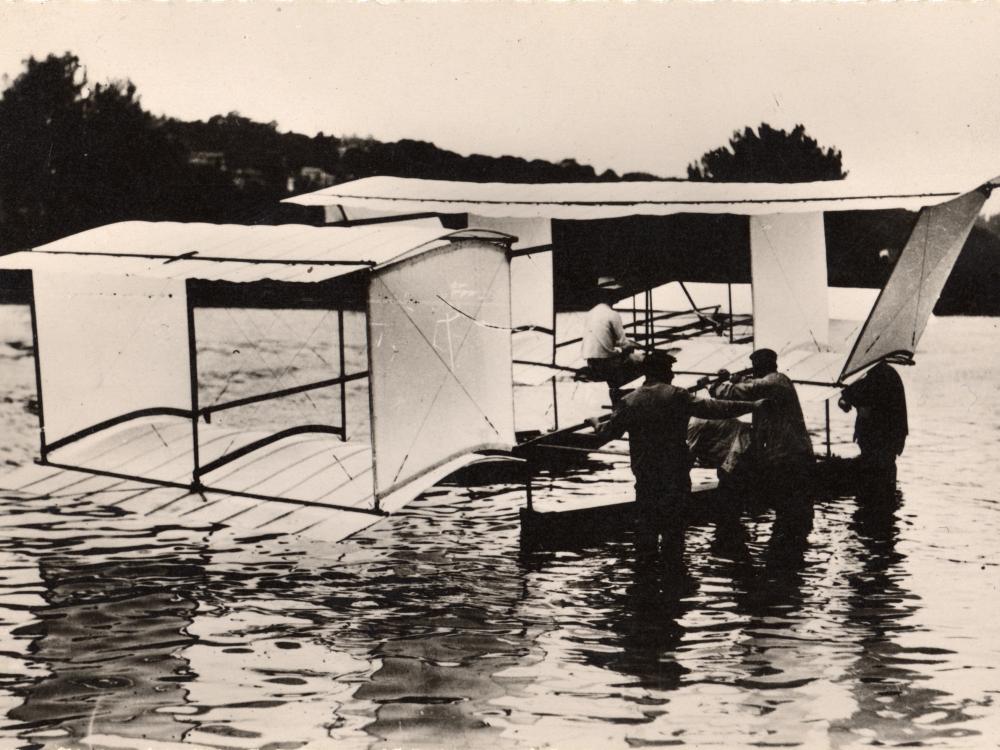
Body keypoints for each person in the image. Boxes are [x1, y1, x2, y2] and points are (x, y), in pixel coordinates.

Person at [591, 350, 765, 552]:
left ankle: (644, 576)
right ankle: (674, 575)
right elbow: (715, 408)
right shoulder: (677, 396)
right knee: (673, 533)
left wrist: (595, 423)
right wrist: (753, 406)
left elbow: (607, 433)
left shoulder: (629, 401)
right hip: (675, 475)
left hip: (646, 475)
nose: (673, 375)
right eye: (670, 370)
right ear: (663, 371)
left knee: (646, 530)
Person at [708, 348, 815, 494]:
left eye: (755, 365)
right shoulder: (776, 381)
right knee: (787, 506)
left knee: (793, 504)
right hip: (787, 454)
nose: (753, 369)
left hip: (791, 456)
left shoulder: (775, 382)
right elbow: (754, 384)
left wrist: (715, 386)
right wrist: (738, 379)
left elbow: (746, 390)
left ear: (764, 365)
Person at [838, 361, 908, 496]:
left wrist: (846, 398)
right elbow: (854, 393)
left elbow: (857, 393)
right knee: (883, 479)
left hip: (881, 440)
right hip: (888, 441)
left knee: (876, 477)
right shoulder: (884, 374)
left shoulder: (880, 377)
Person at [581, 276, 642, 402]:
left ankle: (617, 391)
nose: (618, 296)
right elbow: (624, 343)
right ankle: (636, 396)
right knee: (647, 362)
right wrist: (636, 346)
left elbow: (603, 338)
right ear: (609, 294)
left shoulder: (590, 313)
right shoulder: (613, 314)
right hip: (607, 365)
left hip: (592, 363)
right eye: (615, 293)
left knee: (625, 356)